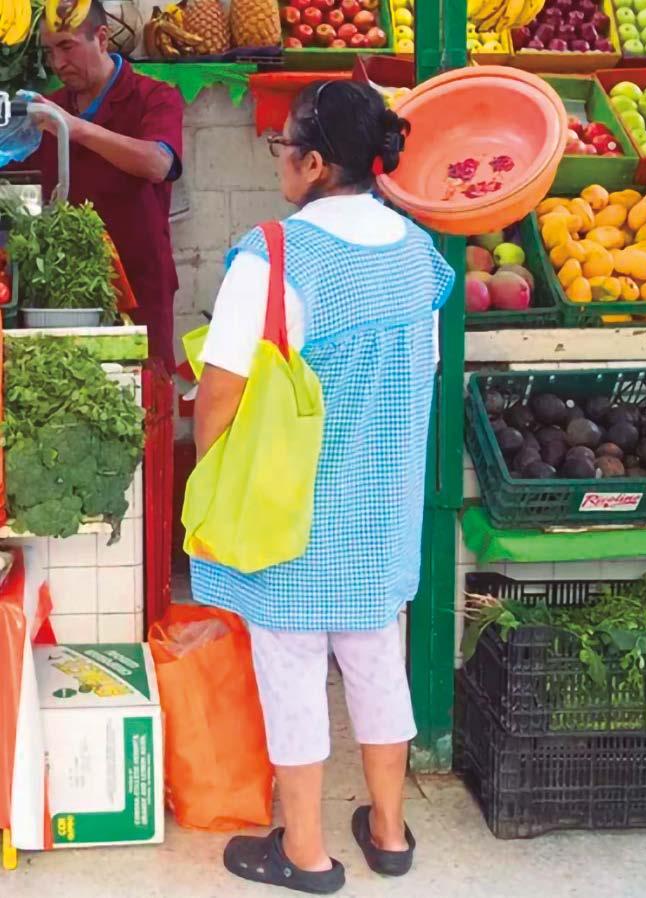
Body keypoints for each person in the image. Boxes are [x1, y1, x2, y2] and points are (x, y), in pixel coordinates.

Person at [190, 80, 454, 894]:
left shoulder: (274, 255)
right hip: (382, 510)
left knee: (293, 673)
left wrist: (212, 475)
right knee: (377, 663)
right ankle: (389, 833)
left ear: (311, 163)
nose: (277, 159)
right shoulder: (418, 252)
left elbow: (219, 393)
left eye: (282, 146)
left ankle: (305, 853)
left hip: (291, 512)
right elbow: (422, 369)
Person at [7, 0, 184, 370]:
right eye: (49, 52)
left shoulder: (155, 96)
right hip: (61, 290)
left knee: (143, 384)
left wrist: (76, 128)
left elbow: (158, 163)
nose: (58, 63)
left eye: (67, 47)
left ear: (102, 38)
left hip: (138, 283)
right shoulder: (48, 111)